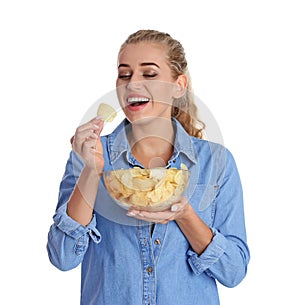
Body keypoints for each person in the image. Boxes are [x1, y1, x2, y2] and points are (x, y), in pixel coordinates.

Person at [47, 29, 250, 305]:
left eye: (149, 74)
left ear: (178, 85)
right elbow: (63, 257)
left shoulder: (217, 162)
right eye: (124, 74)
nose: (133, 85)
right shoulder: (88, 156)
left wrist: (185, 215)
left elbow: (234, 271)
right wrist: (92, 171)